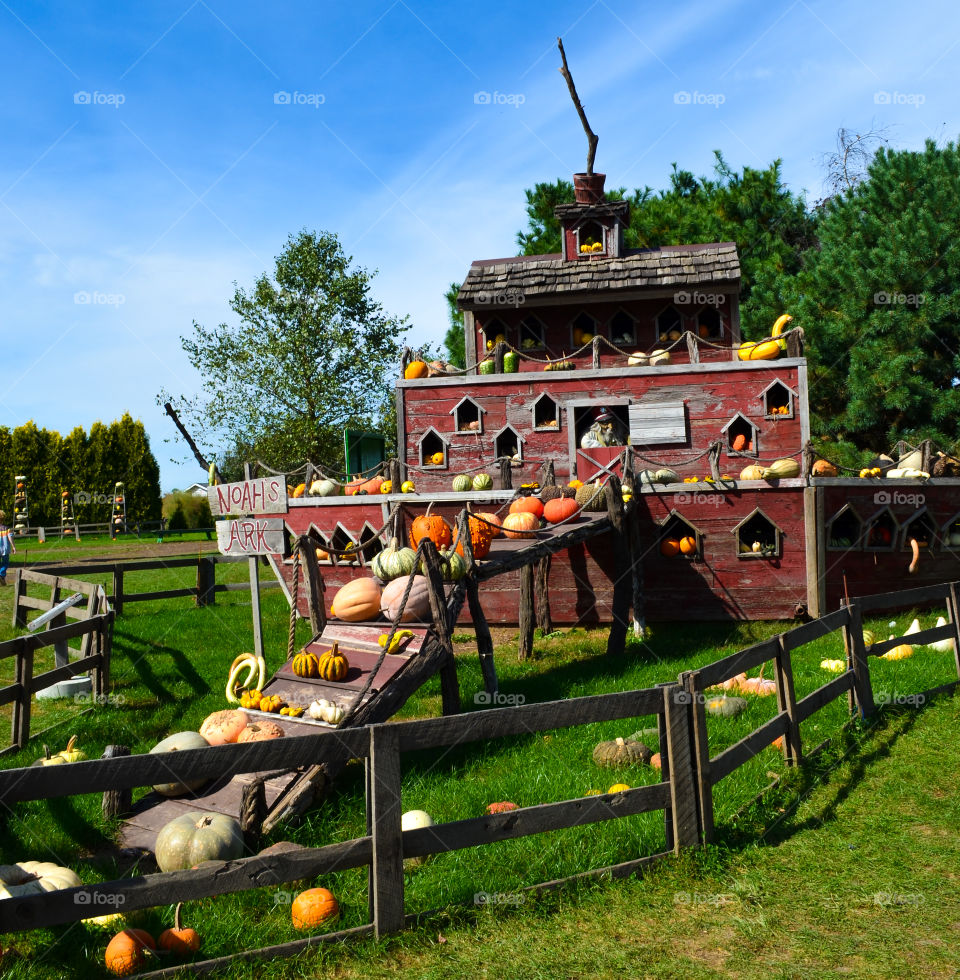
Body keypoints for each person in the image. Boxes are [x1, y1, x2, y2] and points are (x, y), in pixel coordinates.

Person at [0, 510, 15, 585]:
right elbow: (10, 538)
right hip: (5, 550)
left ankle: (1, 577)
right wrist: (13, 547)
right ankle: (2, 575)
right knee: (5, 563)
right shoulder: (7, 528)